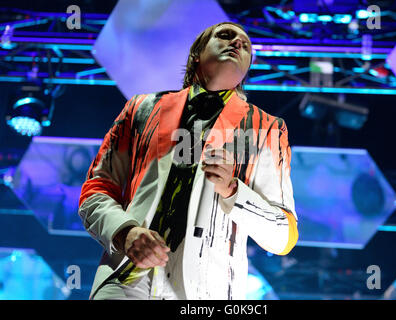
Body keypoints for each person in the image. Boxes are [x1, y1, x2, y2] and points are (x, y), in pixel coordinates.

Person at [78, 21, 298, 300]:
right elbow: (95, 190)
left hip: (208, 291)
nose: (238, 44)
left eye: (246, 46)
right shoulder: (142, 108)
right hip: (125, 278)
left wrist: (234, 190)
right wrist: (125, 232)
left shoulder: (266, 128)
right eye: (226, 36)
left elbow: (284, 236)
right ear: (197, 54)